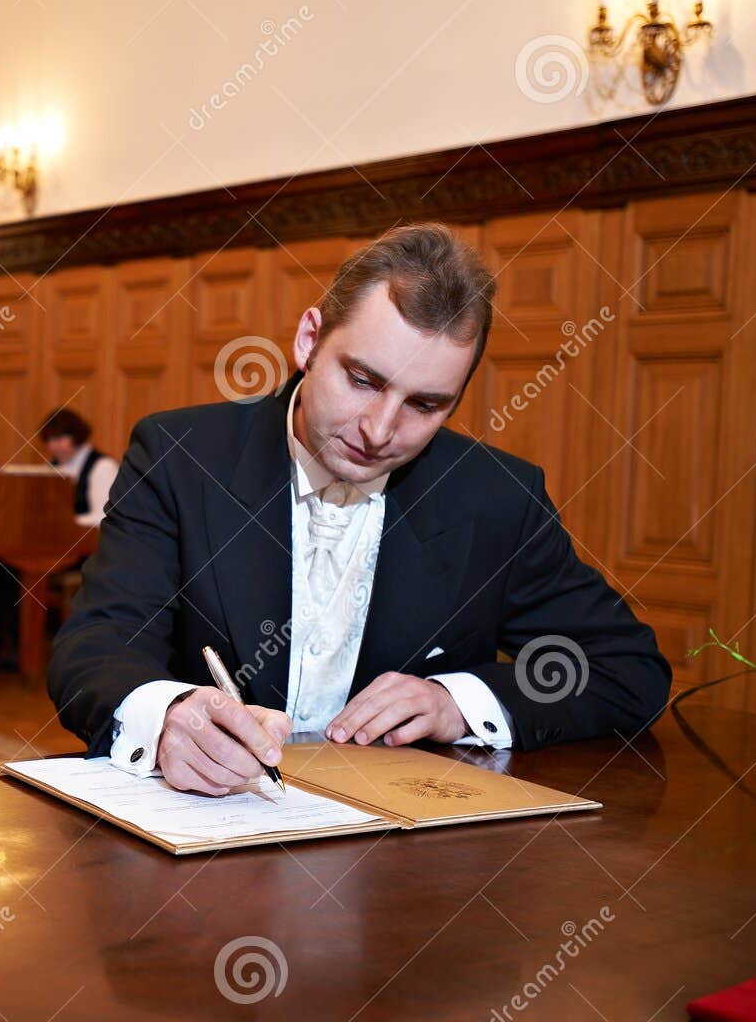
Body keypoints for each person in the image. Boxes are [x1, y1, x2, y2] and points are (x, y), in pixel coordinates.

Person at [48, 223, 671, 796]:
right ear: (309, 340)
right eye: (363, 381)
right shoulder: (181, 457)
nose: (379, 430)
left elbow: (628, 668)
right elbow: (97, 645)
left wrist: (459, 702)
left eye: (424, 405)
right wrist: (167, 715)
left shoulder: (496, 497)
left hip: (403, 877)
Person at [40, 407, 118, 527]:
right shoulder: (51, 467)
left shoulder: (103, 466)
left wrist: (67, 523)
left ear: (77, 436)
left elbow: (103, 517)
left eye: (59, 439)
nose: (53, 446)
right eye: (49, 440)